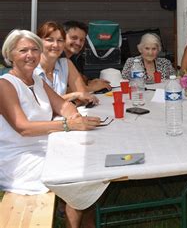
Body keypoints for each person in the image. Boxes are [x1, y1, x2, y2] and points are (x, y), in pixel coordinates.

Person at [0, 29, 101, 228]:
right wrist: (67, 125)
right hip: (19, 159)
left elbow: (62, 105)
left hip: (45, 147)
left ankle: (79, 216)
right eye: (23, 50)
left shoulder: (36, 80)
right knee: (80, 174)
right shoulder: (5, 85)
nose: (30, 55)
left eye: (35, 50)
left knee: (91, 161)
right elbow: (23, 128)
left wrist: (74, 116)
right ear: (10, 54)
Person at [34, 21, 98, 105]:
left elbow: (85, 97)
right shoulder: (30, 68)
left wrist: (72, 102)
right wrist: (75, 95)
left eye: (60, 40)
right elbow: (40, 103)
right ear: (38, 42)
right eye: (50, 40)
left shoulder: (65, 63)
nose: (56, 45)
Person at [62, 21, 111, 92]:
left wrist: (90, 82)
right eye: (74, 38)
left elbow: (79, 78)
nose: (78, 43)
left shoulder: (75, 57)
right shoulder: (54, 59)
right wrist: (91, 88)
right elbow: (58, 90)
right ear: (62, 37)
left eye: (82, 40)